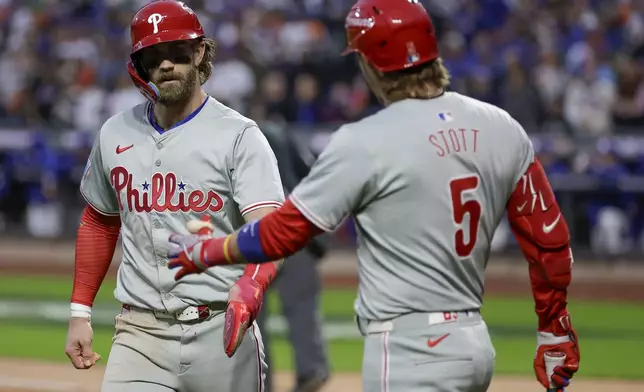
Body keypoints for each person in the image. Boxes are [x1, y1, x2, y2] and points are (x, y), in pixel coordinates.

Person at [165, 0, 581, 391]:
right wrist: (554, 328)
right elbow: (549, 239)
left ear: (370, 64)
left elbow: (285, 232)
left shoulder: (365, 141)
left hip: (409, 349)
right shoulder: (501, 126)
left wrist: (208, 251)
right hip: (474, 343)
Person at [64, 1, 285, 391]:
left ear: (199, 52)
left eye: (176, 52)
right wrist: (80, 312)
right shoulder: (115, 133)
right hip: (139, 333)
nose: (165, 65)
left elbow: (268, 230)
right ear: (140, 64)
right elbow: (99, 220)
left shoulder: (239, 135)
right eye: (154, 55)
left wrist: (251, 285)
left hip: (220, 332)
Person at [256, 121, 330, 392]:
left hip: (254, 235)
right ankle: (310, 370)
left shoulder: (229, 137)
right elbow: (315, 177)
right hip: (293, 230)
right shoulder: (284, 132)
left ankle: (258, 379)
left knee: (250, 315)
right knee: (302, 309)